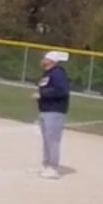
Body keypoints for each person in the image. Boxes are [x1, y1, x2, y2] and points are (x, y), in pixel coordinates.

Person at [35, 50, 71, 179]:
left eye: (45, 59)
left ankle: (53, 168)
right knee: (46, 139)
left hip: (55, 111)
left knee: (53, 140)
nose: (42, 60)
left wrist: (42, 94)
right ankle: (46, 164)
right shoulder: (48, 74)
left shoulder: (58, 74)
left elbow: (62, 90)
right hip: (45, 110)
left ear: (51, 61)